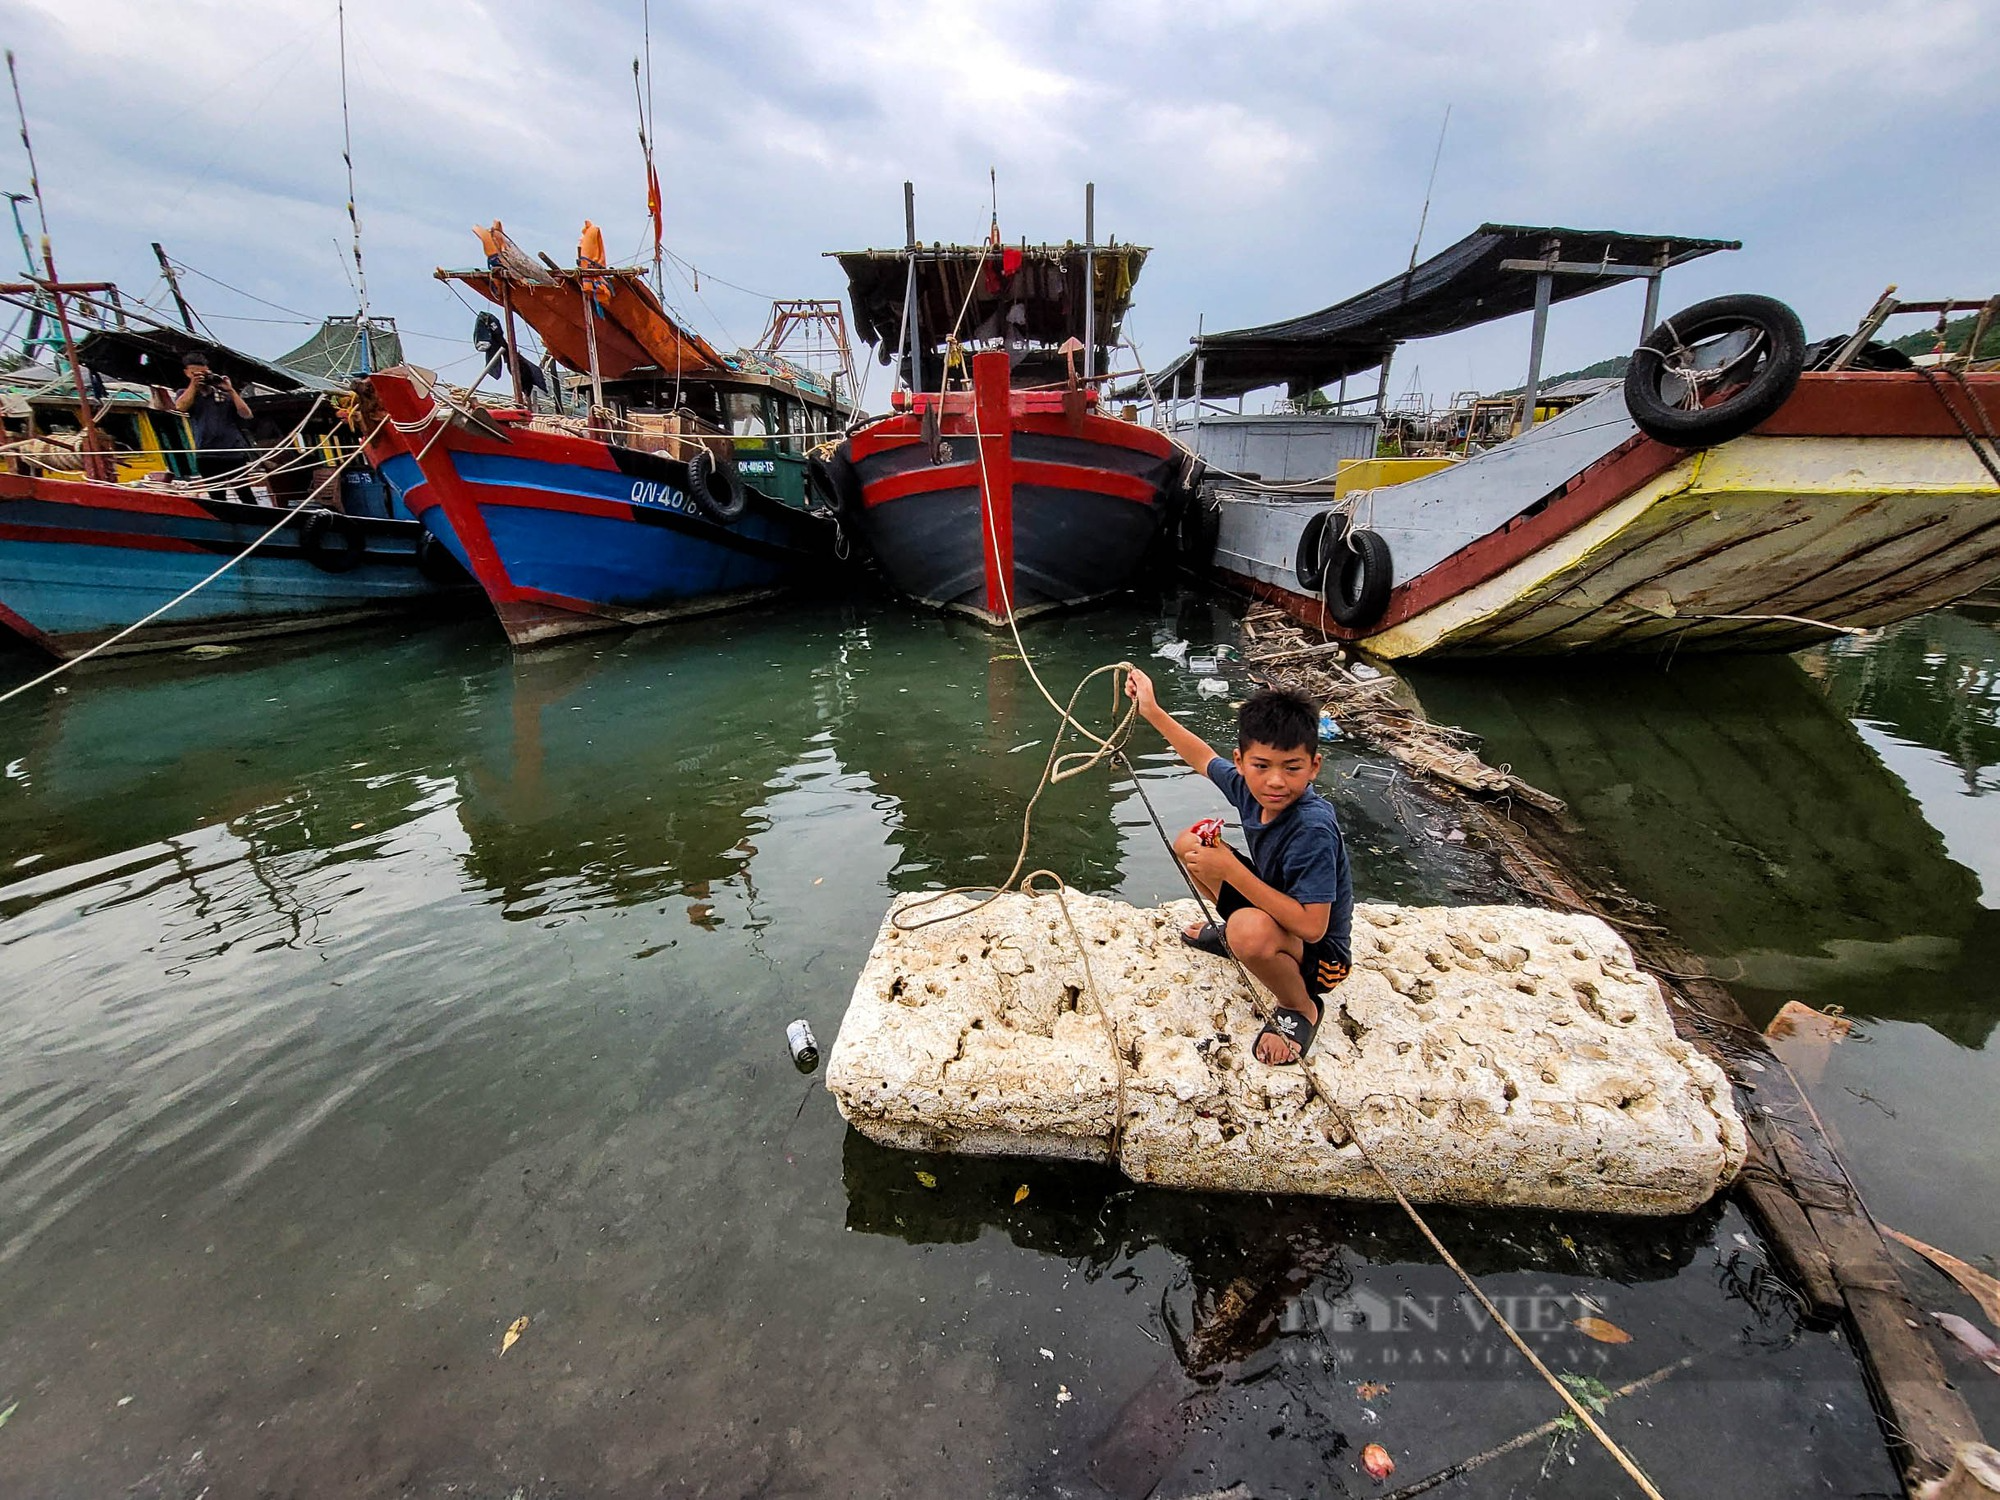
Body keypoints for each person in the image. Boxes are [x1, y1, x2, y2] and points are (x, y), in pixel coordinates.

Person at [1124, 669, 1353, 1065]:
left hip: (1321, 957)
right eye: (1261, 765)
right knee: (1191, 843)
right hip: (1278, 912)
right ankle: (1241, 939)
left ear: (1314, 766)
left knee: (1248, 931)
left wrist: (1230, 868)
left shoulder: (1312, 827)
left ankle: (1299, 1007)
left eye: (1292, 768)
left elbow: (1313, 927)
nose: (1276, 781)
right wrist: (1152, 710)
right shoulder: (1250, 787)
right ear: (1242, 762)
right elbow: (1201, 757)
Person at [175, 350, 258, 503]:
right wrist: (194, 385)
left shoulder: (223, 393)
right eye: (195, 374)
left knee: (245, 494)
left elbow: (246, 414)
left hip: (233, 452)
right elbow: (181, 407)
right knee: (217, 497)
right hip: (207, 453)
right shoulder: (185, 393)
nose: (201, 377)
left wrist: (231, 390)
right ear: (187, 373)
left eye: (203, 373)